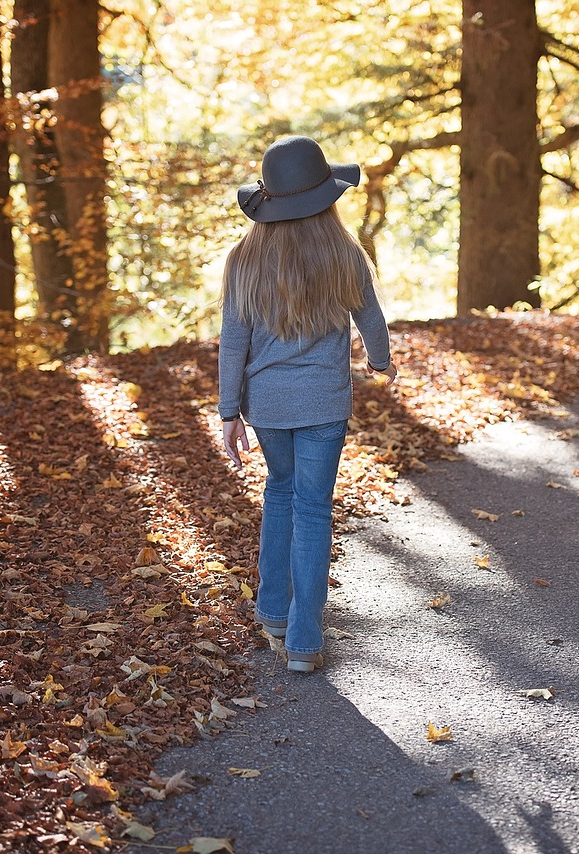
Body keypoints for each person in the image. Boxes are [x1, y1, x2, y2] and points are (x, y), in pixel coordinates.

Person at [218, 135, 397, 673]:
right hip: (323, 404)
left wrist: (229, 411)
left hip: (266, 405)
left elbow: (233, 340)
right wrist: (379, 361)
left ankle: (272, 610)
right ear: (325, 197)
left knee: (280, 492)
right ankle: (303, 638)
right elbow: (371, 319)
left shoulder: (244, 260)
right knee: (313, 508)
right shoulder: (344, 254)